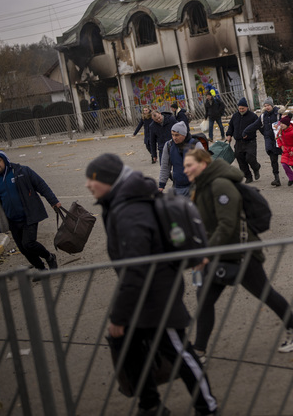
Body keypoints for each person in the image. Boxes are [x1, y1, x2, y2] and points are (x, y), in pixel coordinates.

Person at [85, 153, 218, 416]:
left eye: (93, 179)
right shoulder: (122, 202)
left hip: (156, 296)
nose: (89, 184)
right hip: (143, 293)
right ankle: (150, 404)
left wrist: (119, 316)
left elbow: (136, 268)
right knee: (130, 349)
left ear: (109, 180)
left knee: (181, 354)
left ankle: (208, 407)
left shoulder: (129, 210)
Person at [182, 148, 293, 359]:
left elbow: (227, 224)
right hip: (219, 254)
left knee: (265, 293)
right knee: (204, 300)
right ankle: (199, 351)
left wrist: (205, 254)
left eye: (189, 165)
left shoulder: (220, 185)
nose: (185, 169)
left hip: (241, 253)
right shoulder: (200, 187)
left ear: (203, 164)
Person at [0, 151, 60, 275]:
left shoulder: (22, 171)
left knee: (28, 243)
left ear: (5, 160)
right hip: (12, 220)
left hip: (29, 216)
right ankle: (41, 269)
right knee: (23, 249)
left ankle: (49, 257)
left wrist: (54, 201)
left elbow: (41, 185)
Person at [159, 122, 204, 196]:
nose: (174, 138)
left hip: (194, 186)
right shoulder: (169, 146)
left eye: (177, 135)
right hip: (178, 186)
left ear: (184, 134)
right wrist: (161, 185)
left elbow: (204, 164)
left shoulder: (195, 144)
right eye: (172, 135)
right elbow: (165, 166)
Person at [245, 97, 283, 186]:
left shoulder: (278, 114)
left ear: (272, 105)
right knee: (273, 160)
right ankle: (277, 179)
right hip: (269, 141)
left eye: (269, 105)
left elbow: (287, 121)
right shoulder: (263, 116)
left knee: (287, 158)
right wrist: (246, 131)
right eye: (265, 106)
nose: (267, 107)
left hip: (280, 140)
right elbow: (255, 125)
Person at [225, 97, 261, 183]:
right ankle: (248, 176)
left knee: (250, 158)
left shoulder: (253, 116)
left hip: (250, 141)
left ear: (247, 107)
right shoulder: (235, 116)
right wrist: (229, 135)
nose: (241, 110)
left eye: (242, 108)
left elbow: (258, 126)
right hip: (238, 142)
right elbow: (231, 127)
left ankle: (256, 168)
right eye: (239, 108)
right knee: (241, 160)